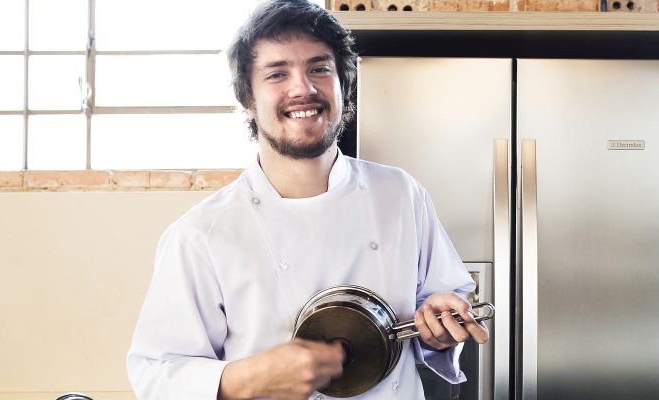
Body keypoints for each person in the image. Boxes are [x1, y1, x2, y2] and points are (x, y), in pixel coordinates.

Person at [125, 0, 489, 398]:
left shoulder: (400, 194)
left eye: (319, 68)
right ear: (248, 99)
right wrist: (251, 376)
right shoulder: (202, 234)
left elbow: (442, 302)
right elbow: (156, 376)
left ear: (343, 85)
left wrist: (440, 327)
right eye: (277, 73)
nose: (303, 88)